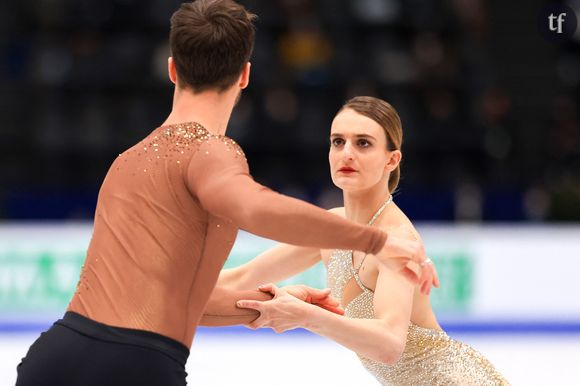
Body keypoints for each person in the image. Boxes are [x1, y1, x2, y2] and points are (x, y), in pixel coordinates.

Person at [15, 2, 437, 386]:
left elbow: (173, 303)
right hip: (138, 367)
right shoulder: (211, 152)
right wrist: (375, 238)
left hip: (53, 358)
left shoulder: (126, 161)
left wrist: (273, 305)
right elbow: (256, 208)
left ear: (172, 70)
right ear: (245, 75)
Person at [220, 96, 510, 385]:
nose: (346, 153)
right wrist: (178, 286)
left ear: (392, 159)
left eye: (363, 143)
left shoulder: (396, 240)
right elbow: (244, 276)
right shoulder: (333, 226)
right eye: (338, 141)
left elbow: (388, 345)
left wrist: (305, 316)